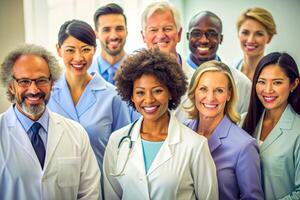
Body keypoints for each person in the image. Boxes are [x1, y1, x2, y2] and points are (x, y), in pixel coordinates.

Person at [103, 48, 218, 200]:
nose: (149, 100)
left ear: (171, 92)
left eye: (157, 91)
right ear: (131, 96)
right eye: (140, 92)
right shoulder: (117, 141)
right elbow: (112, 196)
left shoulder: (195, 146)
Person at [0, 44, 101, 199]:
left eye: (41, 80)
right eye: (24, 81)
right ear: (11, 86)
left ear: (52, 83)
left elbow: (90, 193)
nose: (34, 90)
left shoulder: (76, 133)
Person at [47, 19, 131, 172]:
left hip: (102, 188)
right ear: (59, 50)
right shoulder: (47, 94)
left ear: (94, 49)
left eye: (85, 49)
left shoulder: (112, 96)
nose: (78, 58)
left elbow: (124, 150)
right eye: (70, 50)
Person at [184, 60, 263, 199]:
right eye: (203, 89)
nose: (210, 98)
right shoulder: (183, 132)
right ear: (194, 91)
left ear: (229, 94)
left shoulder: (244, 146)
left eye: (219, 90)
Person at [242, 52, 300, 199]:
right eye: (262, 81)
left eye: (277, 82)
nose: (267, 90)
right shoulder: (243, 121)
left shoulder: (298, 131)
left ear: (293, 84)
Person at [186, 11, 252, 114]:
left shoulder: (241, 83)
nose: (204, 40)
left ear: (220, 39)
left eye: (212, 34)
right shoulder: (172, 78)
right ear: (187, 37)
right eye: (196, 33)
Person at [140, 1, 194, 121]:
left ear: (179, 34)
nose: (161, 35)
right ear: (143, 36)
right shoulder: (133, 81)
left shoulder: (196, 80)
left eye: (167, 28)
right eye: (153, 30)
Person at [232, 7, 277, 81]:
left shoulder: (277, 74)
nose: (250, 40)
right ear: (238, 34)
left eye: (259, 34)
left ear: (269, 38)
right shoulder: (229, 71)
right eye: (245, 32)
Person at [88, 3, 127, 85]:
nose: (114, 36)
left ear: (126, 31)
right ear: (96, 34)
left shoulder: (142, 70)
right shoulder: (86, 72)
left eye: (119, 29)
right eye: (106, 30)